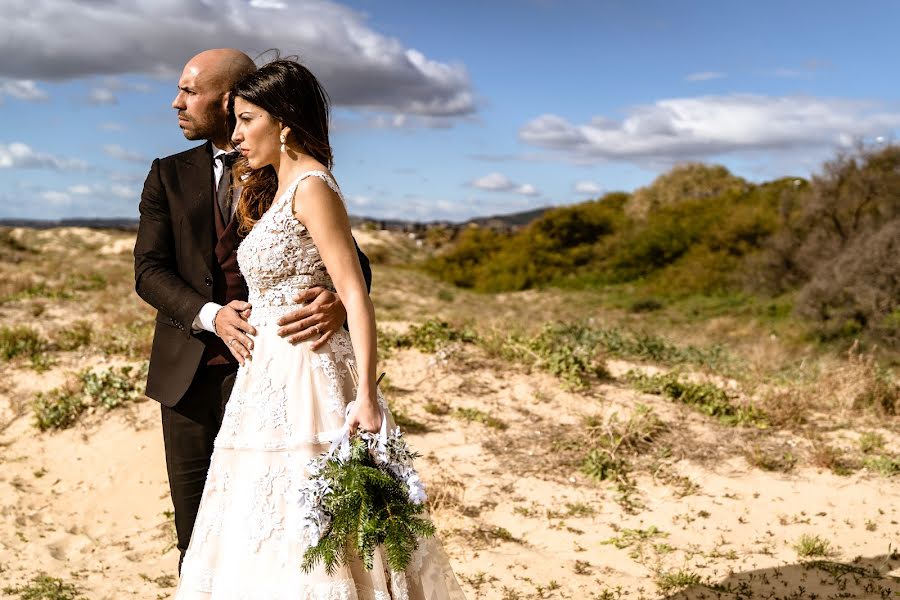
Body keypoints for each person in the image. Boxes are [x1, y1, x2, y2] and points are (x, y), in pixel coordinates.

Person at [172, 58, 465, 599]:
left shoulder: (311, 186)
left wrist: (369, 396)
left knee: (322, 519)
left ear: (283, 121)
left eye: (246, 120)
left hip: (311, 373)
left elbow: (354, 291)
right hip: (266, 379)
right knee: (266, 517)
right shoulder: (275, 187)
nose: (235, 135)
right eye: (233, 121)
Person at [133, 48, 372, 573]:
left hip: (280, 372)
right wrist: (210, 313)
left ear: (228, 100)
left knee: (289, 526)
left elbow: (353, 265)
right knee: (201, 531)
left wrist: (333, 299)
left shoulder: (283, 170)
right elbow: (148, 271)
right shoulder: (166, 175)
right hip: (188, 376)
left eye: (190, 91)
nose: (176, 103)